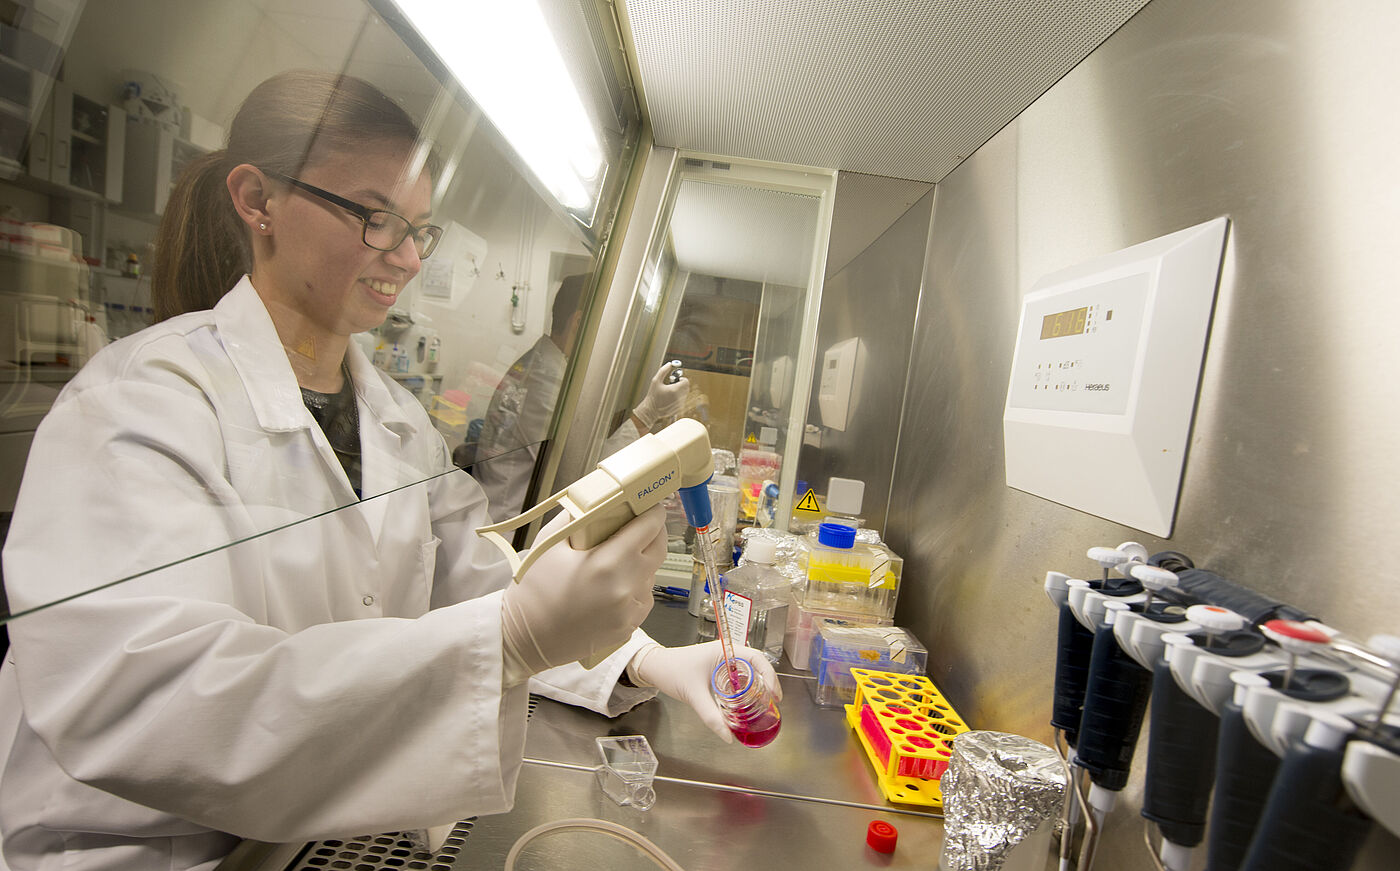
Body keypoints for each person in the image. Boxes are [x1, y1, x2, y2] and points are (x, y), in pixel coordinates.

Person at [0, 70, 777, 871]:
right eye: (376, 219)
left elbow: (485, 590)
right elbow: (149, 704)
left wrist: (653, 661)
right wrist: (511, 639)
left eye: (420, 229)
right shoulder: (140, 403)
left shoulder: (398, 425)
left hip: (307, 832)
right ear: (256, 201)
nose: (406, 257)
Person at [467, 273, 689, 523]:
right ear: (579, 321)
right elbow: (585, 474)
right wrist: (648, 413)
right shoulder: (545, 380)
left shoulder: (550, 367)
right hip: (512, 527)